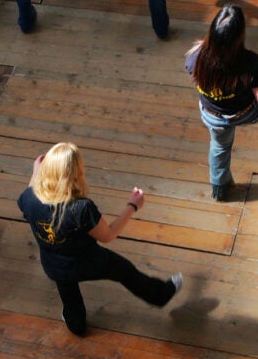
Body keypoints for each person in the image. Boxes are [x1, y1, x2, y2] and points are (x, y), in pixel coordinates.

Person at [17, 142, 183, 336]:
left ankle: (76, 325)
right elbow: (108, 235)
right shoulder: (80, 209)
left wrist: (35, 171)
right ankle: (160, 295)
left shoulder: (28, 198)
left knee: (68, 293)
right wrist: (133, 205)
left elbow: (31, 189)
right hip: (87, 261)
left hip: (54, 264)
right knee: (125, 271)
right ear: (76, 175)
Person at [185, 4, 258, 201]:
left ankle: (219, 186)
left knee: (219, 146)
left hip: (212, 116)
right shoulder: (249, 62)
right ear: (239, 36)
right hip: (246, 112)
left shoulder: (195, 57)